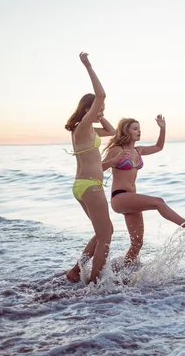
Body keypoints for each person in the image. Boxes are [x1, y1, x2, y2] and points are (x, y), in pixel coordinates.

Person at [102, 115, 185, 265]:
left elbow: (159, 147)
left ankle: (123, 275)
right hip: (119, 197)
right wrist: (114, 160)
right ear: (126, 131)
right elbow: (99, 168)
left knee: (137, 243)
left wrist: (162, 128)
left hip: (132, 199)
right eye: (135, 129)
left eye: (139, 128)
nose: (139, 131)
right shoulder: (116, 149)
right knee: (158, 202)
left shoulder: (138, 151)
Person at [65, 52, 116, 283]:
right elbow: (101, 93)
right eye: (98, 107)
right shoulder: (84, 126)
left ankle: (76, 271)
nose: (101, 109)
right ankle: (95, 285)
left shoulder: (87, 129)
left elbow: (112, 132)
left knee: (101, 232)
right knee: (106, 234)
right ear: (88, 108)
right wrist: (88, 66)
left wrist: (102, 114)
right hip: (90, 187)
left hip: (84, 185)